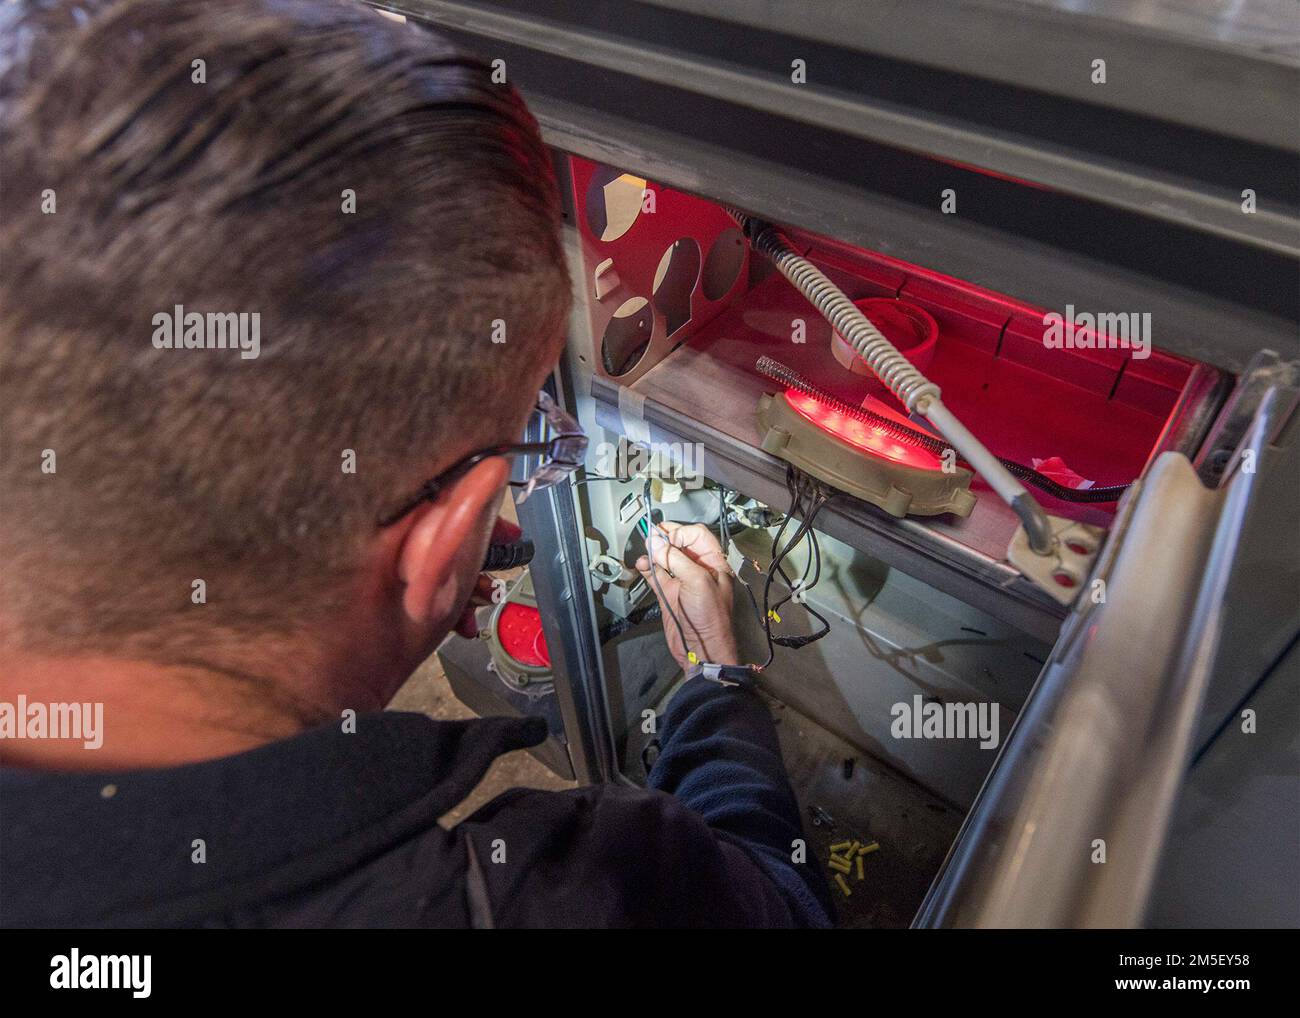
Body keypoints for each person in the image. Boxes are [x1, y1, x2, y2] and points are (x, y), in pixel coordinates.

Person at [0, 0, 831, 928]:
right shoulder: (557, 901)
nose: (510, 527)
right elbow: (784, 904)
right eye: (521, 452)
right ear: (437, 542)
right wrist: (716, 688)